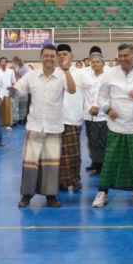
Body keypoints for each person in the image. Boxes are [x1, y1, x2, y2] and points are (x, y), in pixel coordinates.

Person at [8, 45, 76, 208]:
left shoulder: (62, 75)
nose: (49, 59)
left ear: (56, 58)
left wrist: (66, 71)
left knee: (51, 164)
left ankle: (51, 196)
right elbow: (18, 90)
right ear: (41, 58)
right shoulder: (31, 76)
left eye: (52, 56)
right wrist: (12, 91)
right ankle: (26, 196)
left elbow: (72, 90)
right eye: (46, 56)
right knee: (29, 163)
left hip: (54, 127)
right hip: (34, 126)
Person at [91, 44, 133, 208]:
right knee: (110, 161)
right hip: (116, 125)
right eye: (120, 56)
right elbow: (101, 98)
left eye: (125, 56)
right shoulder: (109, 74)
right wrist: (108, 110)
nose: (122, 59)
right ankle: (102, 193)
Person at [56, 44, 92, 193]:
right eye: (59, 54)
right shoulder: (52, 72)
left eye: (65, 53)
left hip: (73, 118)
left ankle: (75, 179)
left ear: (72, 56)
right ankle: (59, 181)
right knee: (56, 153)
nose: (62, 56)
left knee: (72, 153)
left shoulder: (80, 73)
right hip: (54, 120)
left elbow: (93, 89)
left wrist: (92, 107)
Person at [83, 53, 108, 175]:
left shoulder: (107, 77)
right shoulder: (88, 77)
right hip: (88, 116)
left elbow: (105, 94)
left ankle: (105, 167)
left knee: (103, 142)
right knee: (92, 142)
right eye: (92, 62)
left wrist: (97, 106)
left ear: (103, 64)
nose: (94, 64)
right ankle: (96, 166)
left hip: (102, 116)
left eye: (97, 62)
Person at [0, 57, 16, 130]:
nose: (3, 63)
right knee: (0, 109)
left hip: (8, 93)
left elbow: (13, 82)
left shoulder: (11, 71)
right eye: (1, 62)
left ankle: (8, 124)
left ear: (6, 63)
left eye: (4, 62)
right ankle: (1, 124)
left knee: (8, 109)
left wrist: (13, 92)